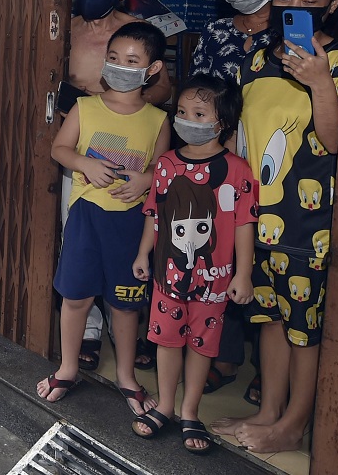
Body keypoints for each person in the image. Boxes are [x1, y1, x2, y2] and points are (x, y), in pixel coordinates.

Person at [211, 0, 338, 454]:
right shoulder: (258, 60)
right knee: (267, 317)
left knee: (303, 326)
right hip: (257, 214)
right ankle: (269, 411)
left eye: (309, 2)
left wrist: (318, 82)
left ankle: (294, 423)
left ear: (332, 5)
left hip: (307, 220)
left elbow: (336, 145)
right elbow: (245, 138)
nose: (295, 8)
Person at [37, 21, 170, 415]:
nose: (119, 66)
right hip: (85, 218)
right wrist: (83, 164)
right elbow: (60, 149)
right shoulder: (85, 107)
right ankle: (67, 367)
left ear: (153, 69)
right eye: (113, 58)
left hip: (131, 225)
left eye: (132, 60)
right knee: (76, 297)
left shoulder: (158, 120)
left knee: (126, 305)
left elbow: (164, 168)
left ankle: (126, 376)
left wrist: (146, 180)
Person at [130, 74, 256, 453]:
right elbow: (153, 213)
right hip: (168, 279)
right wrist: (142, 253)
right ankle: (165, 406)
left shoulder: (237, 171)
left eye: (199, 114)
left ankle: (189, 412)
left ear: (223, 124)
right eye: (182, 111)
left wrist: (244, 273)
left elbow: (245, 224)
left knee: (202, 345)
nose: (187, 120)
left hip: (215, 282)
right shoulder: (167, 164)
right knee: (166, 342)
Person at [189, 0, 287, 404]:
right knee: (219, 253)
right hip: (219, 157)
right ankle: (224, 356)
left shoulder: (291, 36)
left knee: (268, 259)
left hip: (277, 162)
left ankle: (270, 371)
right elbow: (199, 92)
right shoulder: (214, 33)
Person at [66, 0, 173, 372]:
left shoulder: (138, 35)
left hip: (130, 156)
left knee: (127, 248)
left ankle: (124, 324)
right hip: (80, 153)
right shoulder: (67, 27)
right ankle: (89, 332)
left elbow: (164, 92)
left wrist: (119, 101)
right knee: (78, 244)